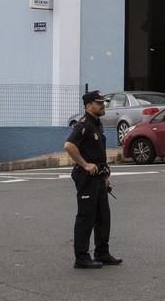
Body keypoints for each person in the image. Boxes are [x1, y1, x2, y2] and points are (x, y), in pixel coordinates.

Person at [64, 90, 122, 269]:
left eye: (103, 103)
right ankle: (81, 257)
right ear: (89, 106)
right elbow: (69, 145)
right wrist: (85, 164)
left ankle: (102, 253)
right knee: (86, 217)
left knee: (103, 217)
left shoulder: (97, 124)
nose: (103, 106)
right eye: (99, 103)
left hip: (99, 177)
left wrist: (104, 176)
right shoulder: (84, 124)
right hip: (87, 177)